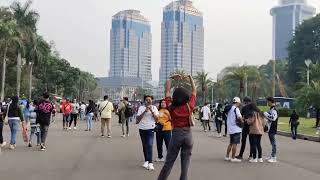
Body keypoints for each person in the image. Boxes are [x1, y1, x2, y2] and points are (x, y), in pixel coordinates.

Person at [157, 74, 196, 180]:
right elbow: (194, 91)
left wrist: (171, 78)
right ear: (186, 97)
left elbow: (167, 92)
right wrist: (190, 77)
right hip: (188, 135)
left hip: (176, 135)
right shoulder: (189, 106)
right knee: (185, 164)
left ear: (175, 97)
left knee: (169, 161)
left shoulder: (171, 107)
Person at [136, 95, 159, 171]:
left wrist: (151, 111)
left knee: (149, 144)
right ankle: (146, 160)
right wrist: (145, 111)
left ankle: (150, 163)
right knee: (145, 145)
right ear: (144, 101)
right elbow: (138, 119)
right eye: (146, 100)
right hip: (142, 128)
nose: (148, 101)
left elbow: (157, 119)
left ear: (152, 101)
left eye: (149, 100)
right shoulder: (141, 108)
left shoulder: (154, 108)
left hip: (150, 128)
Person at [225, 97, 243, 163]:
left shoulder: (229, 109)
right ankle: (233, 157)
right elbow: (239, 117)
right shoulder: (236, 109)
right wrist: (242, 122)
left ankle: (227, 156)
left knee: (231, 143)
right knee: (235, 144)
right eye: (239, 103)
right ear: (237, 102)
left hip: (230, 128)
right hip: (236, 128)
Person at [264, 97, 278, 163]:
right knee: (272, 143)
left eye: (268, 101)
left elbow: (273, 118)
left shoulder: (274, 109)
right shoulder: (271, 109)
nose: (267, 103)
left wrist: (265, 114)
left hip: (272, 128)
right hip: (270, 128)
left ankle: (274, 157)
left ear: (270, 102)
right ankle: (272, 156)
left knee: (273, 143)